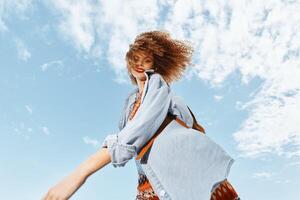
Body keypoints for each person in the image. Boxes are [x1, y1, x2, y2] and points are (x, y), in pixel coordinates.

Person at [42, 30, 240, 200]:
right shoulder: (130, 103)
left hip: (184, 172)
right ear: (129, 63)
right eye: (135, 59)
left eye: (146, 60)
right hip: (151, 180)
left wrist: (80, 173)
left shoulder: (157, 84)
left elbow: (135, 133)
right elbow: (131, 141)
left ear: (154, 65)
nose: (140, 64)